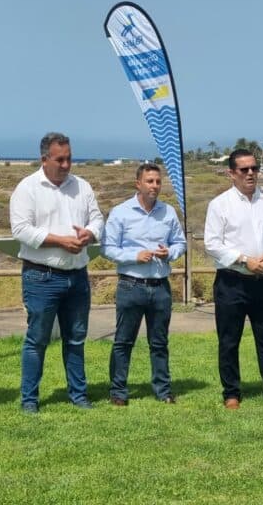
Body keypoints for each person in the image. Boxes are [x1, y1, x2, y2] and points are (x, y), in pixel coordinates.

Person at [9, 132, 104, 413]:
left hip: (77, 275)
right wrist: (60, 240)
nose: (66, 165)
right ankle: (30, 400)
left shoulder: (82, 187)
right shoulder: (27, 189)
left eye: (69, 158)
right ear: (44, 159)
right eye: (59, 159)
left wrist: (90, 233)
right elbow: (20, 230)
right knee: (37, 339)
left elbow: (98, 218)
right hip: (41, 277)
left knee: (75, 338)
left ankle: (78, 395)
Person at [204, 149, 263, 409]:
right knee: (229, 340)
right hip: (231, 282)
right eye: (244, 170)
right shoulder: (219, 204)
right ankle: (231, 393)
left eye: (254, 168)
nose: (251, 173)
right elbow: (212, 244)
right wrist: (244, 259)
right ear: (232, 173)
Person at [102, 163, 187, 406]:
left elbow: (180, 243)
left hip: (160, 286)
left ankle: (163, 390)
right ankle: (118, 392)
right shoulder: (121, 212)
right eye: (149, 181)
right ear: (138, 183)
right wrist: (134, 256)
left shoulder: (168, 212)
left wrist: (169, 252)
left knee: (159, 342)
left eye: (158, 181)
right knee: (123, 341)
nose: (155, 186)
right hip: (131, 286)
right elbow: (108, 249)